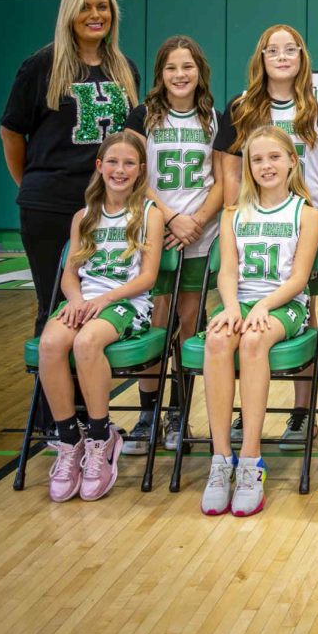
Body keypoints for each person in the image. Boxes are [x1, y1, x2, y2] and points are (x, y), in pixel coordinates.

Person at [214, 25, 318, 449]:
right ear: (262, 57)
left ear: (302, 56)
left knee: (306, 312)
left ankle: (302, 413)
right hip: (254, 220)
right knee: (237, 326)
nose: (283, 57)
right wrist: (239, 217)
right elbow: (231, 168)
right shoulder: (242, 105)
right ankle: (242, 410)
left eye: (291, 49)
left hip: (302, 220)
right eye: (274, 50)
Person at [0, 0, 141, 341]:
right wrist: (32, 183)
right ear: (69, 14)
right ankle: (48, 381)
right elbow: (11, 132)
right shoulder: (41, 66)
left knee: (97, 307)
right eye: (85, 7)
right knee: (55, 305)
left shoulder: (124, 69)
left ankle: (89, 379)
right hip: (50, 206)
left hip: (107, 209)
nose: (95, 15)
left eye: (103, 7)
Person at [200, 126, 318, 517]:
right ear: (248, 167)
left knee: (253, 340)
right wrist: (230, 307)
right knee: (217, 340)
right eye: (257, 159)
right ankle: (221, 460)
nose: (266, 165)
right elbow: (226, 272)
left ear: (292, 161)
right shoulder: (233, 213)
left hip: (285, 304)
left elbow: (299, 278)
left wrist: (264, 306)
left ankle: (251, 461)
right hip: (240, 301)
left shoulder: (306, 213)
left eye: (274, 157)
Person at [37, 132, 163, 502]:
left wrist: (105, 299)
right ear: (99, 166)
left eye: (128, 163)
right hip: (86, 300)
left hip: (126, 302)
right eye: (112, 162)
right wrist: (76, 299)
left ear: (140, 170)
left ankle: (99, 436)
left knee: (87, 342)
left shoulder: (149, 215)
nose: (120, 170)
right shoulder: (84, 216)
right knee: (50, 343)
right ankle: (69, 439)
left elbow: (148, 277)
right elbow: (69, 274)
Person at [124, 35, 223, 453]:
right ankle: (147, 413)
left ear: (200, 71)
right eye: (171, 68)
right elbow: (132, 174)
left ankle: (179, 412)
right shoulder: (143, 116)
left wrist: (196, 221)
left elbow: (223, 180)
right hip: (155, 232)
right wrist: (170, 217)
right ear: (160, 73)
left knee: (189, 321)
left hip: (199, 235)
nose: (180, 75)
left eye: (187, 67)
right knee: (156, 319)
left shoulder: (214, 118)